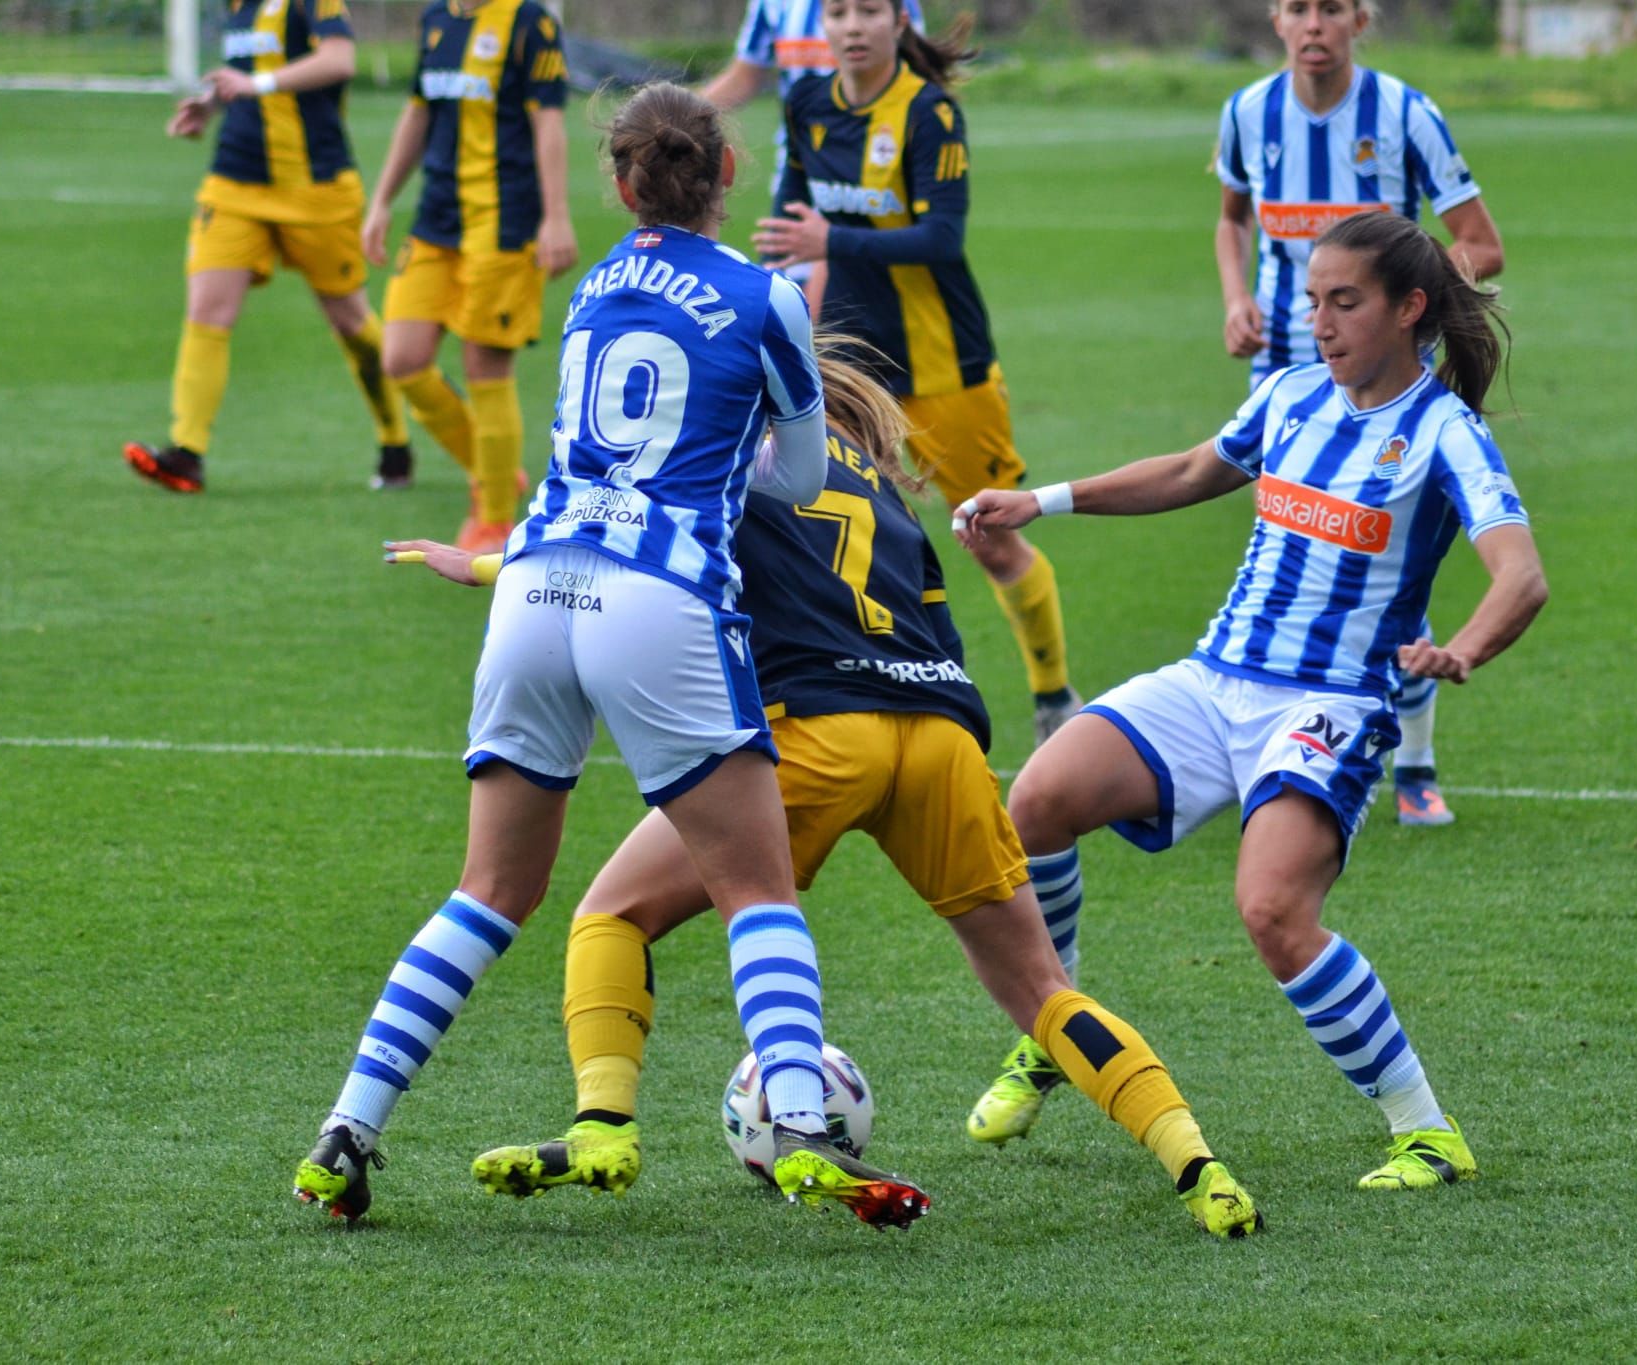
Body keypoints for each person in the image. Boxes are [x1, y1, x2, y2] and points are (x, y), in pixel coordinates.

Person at [391, 345, 1261, 1238]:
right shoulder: (881, 486)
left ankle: (604, 1127)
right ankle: (1198, 1164)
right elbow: (940, 624)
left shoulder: (724, 455)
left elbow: (627, 558)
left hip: (814, 730)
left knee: (612, 915)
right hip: (941, 737)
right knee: (1041, 988)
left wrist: (489, 568)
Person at [291, 84, 927, 1229]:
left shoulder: (592, 289)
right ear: (727, 171)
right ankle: (800, 1125)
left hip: (533, 590)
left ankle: (348, 1126)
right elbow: (791, 480)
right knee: (754, 888)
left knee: (490, 891)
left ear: (622, 184)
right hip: (659, 601)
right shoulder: (767, 296)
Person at [955, 211, 1547, 1189]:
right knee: (1033, 805)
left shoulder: (1443, 431)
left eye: (1343, 302)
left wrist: (1462, 650)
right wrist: (1044, 499)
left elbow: (1517, 575)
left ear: (1407, 310)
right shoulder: (1289, 394)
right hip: (1213, 678)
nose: (1318, 320)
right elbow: (1193, 470)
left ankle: (1427, 1133)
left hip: (1332, 703)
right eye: (1311, 300)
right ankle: (1056, 1026)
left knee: (1273, 912)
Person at [751, 0, 1082, 747]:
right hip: (849, 365)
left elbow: (942, 236)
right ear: (822, 27)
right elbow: (787, 225)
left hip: (944, 366)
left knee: (990, 534)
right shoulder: (806, 102)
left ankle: (1054, 692)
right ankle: (840, 683)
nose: (853, 25)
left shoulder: (928, 111)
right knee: (825, 523)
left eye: (870, 9)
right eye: (838, 11)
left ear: (900, 21)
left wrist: (829, 236)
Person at [1213, 0, 1506, 824]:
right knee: (1300, 558)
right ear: (1275, 20)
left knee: (1375, 558)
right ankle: (1289, 741)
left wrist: (1406, 308)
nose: (1314, 25)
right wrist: (1236, 298)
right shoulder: (1246, 112)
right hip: (1285, 374)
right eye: (1298, 8)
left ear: (1360, 20)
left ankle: (1411, 758)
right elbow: (1231, 220)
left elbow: (1482, 244)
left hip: (1385, 379)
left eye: (1331, 9)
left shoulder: (1406, 114)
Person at [124, 0, 413, 494]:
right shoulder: (237, 6)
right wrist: (212, 105)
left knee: (348, 319)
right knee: (207, 311)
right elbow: (245, 73)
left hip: (316, 186)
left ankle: (395, 440)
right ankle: (186, 454)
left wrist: (255, 85)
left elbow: (340, 59)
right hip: (234, 182)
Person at [359, 0, 579, 552]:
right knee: (402, 360)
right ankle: (495, 470)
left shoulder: (530, 22)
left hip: (504, 223)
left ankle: (495, 520)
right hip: (435, 222)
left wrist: (555, 217)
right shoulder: (436, 20)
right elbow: (419, 112)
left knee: (484, 365)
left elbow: (548, 121)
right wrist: (382, 200)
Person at [697, 0, 925, 317]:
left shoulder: (889, 10)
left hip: (869, 187)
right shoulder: (774, 5)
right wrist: (673, 114)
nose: (852, 25)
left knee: (835, 326)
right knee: (776, 317)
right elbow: (745, 75)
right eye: (837, 15)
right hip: (797, 180)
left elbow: (912, 79)